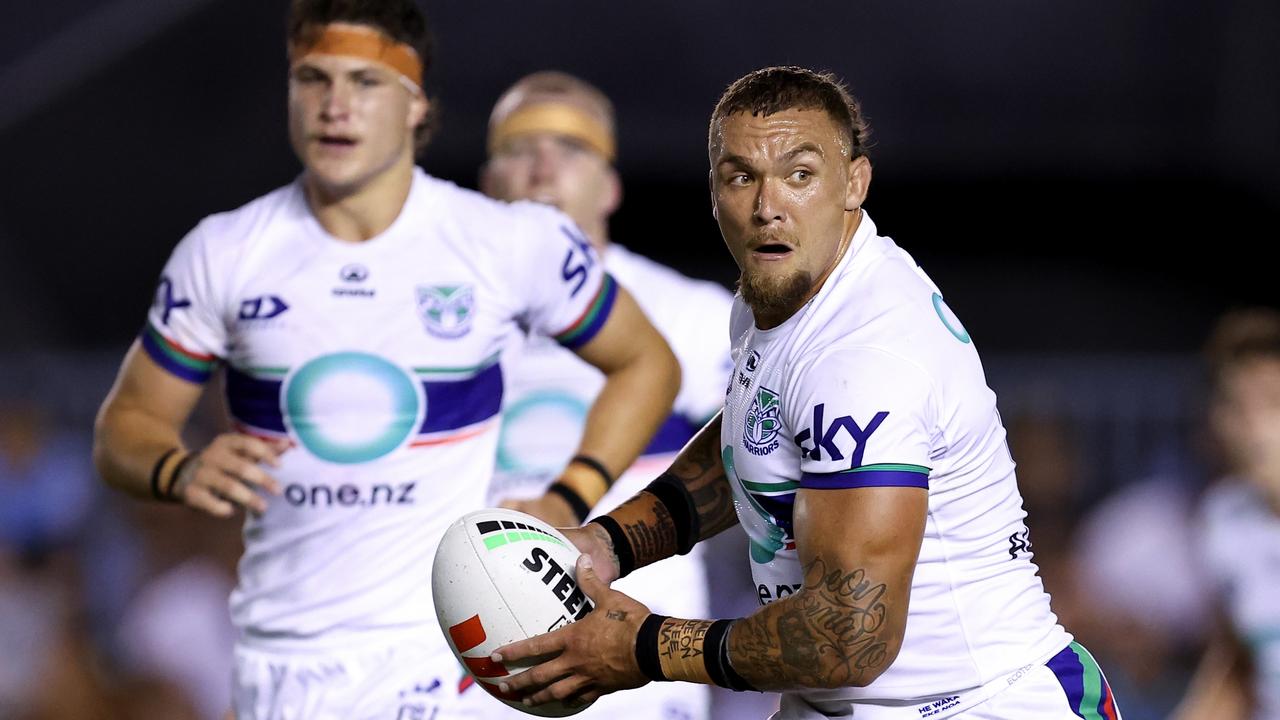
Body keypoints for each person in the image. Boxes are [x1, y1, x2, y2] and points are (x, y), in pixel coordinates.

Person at [90, 1, 680, 717]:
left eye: (366, 83)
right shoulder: (226, 252)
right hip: (277, 666)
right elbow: (126, 426)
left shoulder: (501, 242)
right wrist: (178, 467)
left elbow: (648, 363)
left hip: (437, 662)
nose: (336, 106)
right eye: (314, 79)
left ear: (414, 104)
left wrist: (567, 498)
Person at [494, 66, 1122, 720]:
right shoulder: (781, 288)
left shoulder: (865, 357)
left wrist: (646, 647)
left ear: (854, 183)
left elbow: (850, 636)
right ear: (714, 191)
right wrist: (611, 542)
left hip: (976, 705)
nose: (768, 206)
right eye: (742, 176)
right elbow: (755, 431)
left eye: (799, 175)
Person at [480, 71, 737, 720]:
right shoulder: (440, 325)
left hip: (633, 680)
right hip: (472, 671)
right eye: (519, 148)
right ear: (487, 185)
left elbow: (771, 477)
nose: (542, 168)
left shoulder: (692, 317)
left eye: (570, 149)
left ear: (611, 185)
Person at [1173, 308, 1280, 720]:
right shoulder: (1223, 517)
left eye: (1272, 402)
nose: (1255, 427)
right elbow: (1234, 667)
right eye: (1239, 406)